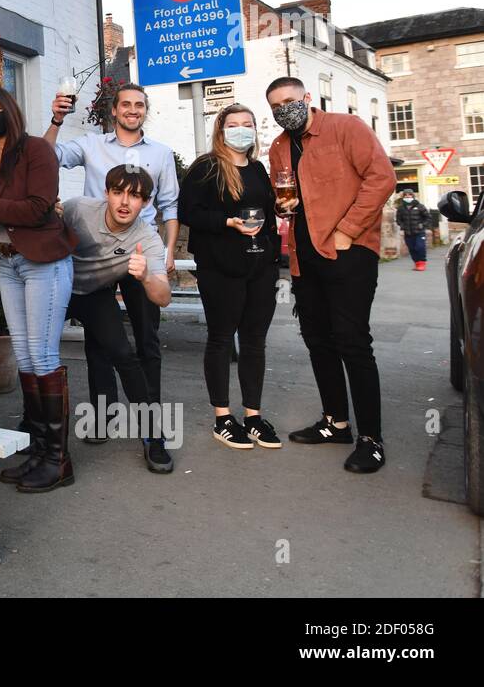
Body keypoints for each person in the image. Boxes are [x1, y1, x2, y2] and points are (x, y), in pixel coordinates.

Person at [266, 76, 395, 473]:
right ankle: (335, 422)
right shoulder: (279, 147)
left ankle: (370, 439)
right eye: (275, 106)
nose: (283, 109)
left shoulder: (346, 128)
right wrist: (281, 207)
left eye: (289, 100)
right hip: (304, 257)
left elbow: (381, 178)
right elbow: (284, 195)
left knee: (352, 341)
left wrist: (347, 231)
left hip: (348, 252)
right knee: (318, 339)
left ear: (306, 98)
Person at [43, 81, 179, 444]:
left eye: (139, 105)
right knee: (101, 342)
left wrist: (166, 255)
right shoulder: (92, 144)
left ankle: (150, 419)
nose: (133, 110)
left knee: (146, 341)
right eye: (126, 105)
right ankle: (102, 419)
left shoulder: (162, 153)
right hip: (94, 251)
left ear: (144, 110)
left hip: (140, 250)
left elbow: (170, 207)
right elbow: (46, 157)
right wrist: (56, 120)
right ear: (114, 111)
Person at [0, 86, 76, 492]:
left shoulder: (35, 150)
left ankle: (58, 459)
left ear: (10, 110)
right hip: (8, 262)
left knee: (43, 354)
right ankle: (39, 448)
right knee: (26, 353)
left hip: (43, 259)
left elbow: (39, 205)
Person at [178, 104, 282, 450]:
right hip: (220, 267)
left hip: (259, 265)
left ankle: (253, 415)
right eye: (233, 125)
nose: (241, 130)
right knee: (221, 338)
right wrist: (227, 223)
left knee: (255, 341)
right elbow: (188, 212)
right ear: (221, 131)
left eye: (248, 124)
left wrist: (277, 229)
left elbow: (267, 214)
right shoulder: (207, 167)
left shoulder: (258, 169)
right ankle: (222, 417)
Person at [61, 167, 174, 473]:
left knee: (123, 353)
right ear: (107, 193)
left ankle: (153, 437)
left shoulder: (147, 239)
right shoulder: (78, 209)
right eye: (118, 192)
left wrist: (147, 275)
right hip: (57, 287)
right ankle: (40, 432)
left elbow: (163, 297)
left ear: (146, 203)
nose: (125, 201)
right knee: (37, 352)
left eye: (135, 196)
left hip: (95, 294)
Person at [395, 190, 432, 271]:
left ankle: (422, 263)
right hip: (408, 233)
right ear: (403, 197)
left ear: (413, 196)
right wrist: (402, 225)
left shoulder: (420, 206)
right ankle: (417, 263)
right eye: (406, 195)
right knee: (412, 248)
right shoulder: (401, 208)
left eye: (410, 195)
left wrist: (423, 225)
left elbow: (428, 217)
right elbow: (398, 220)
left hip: (419, 232)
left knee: (420, 247)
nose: (408, 197)